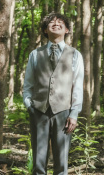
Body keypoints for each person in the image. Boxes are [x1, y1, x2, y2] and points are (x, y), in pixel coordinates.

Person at [22, 12, 84, 175]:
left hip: (63, 112)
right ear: (44, 30)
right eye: (51, 22)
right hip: (39, 110)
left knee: (61, 162)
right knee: (38, 161)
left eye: (60, 22)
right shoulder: (35, 54)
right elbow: (28, 84)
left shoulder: (75, 55)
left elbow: (77, 86)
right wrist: (29, 106)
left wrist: (74, 113)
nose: (56, 24)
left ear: (67, 30)